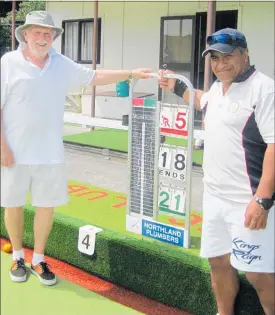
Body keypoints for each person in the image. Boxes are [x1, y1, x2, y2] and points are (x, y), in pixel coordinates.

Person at [0, 11, 152, 286]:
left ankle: (39, 259)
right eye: (37, 32)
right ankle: (19, 256)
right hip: (13, 152)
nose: (43, 38)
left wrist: (131, 73)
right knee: (13, 204)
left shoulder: (60, 64)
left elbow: (93, 76)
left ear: (53, 38)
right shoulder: (8, 63)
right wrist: (2, 147)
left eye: (48, 34)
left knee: (46, 207)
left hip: (50, 153)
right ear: (25, 34)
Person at [159, 28, 274, 315]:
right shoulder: (216, 89)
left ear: (245, 55)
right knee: (218, 263)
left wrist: (262, 199)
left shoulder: (264, 88)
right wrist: (175, 85)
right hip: (214, 198)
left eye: (227, 56)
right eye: (215, 58)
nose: (220, 64)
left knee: (257, 273)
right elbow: (201, 101)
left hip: (247, 201)